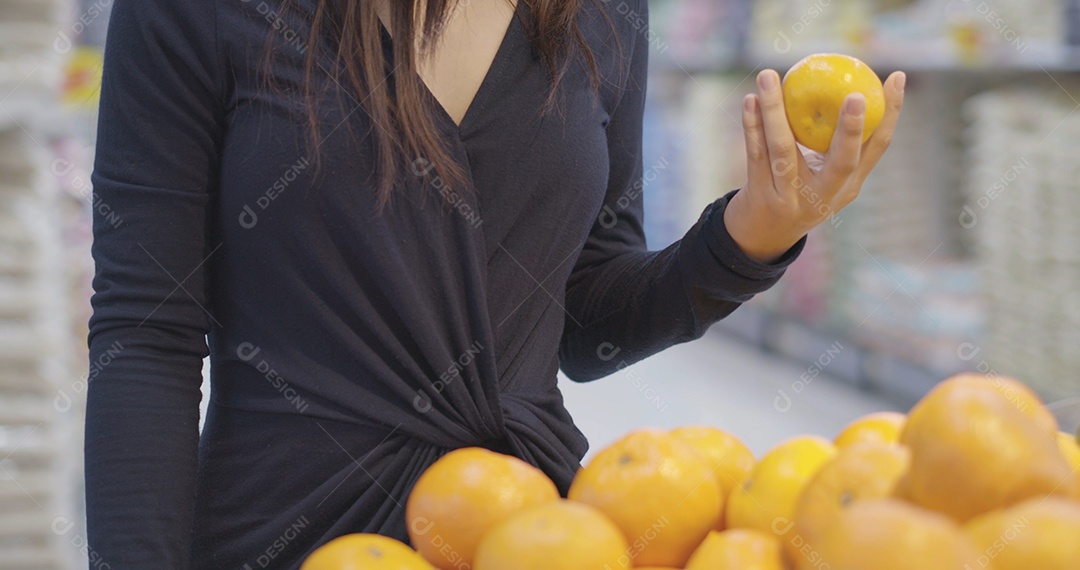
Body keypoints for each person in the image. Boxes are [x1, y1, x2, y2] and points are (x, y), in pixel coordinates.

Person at [84, 0, 904, 566]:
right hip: (289, 532)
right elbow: (145, 335)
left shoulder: (600, 14)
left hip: (534, 532)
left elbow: (583, 319)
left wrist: (755, 233)